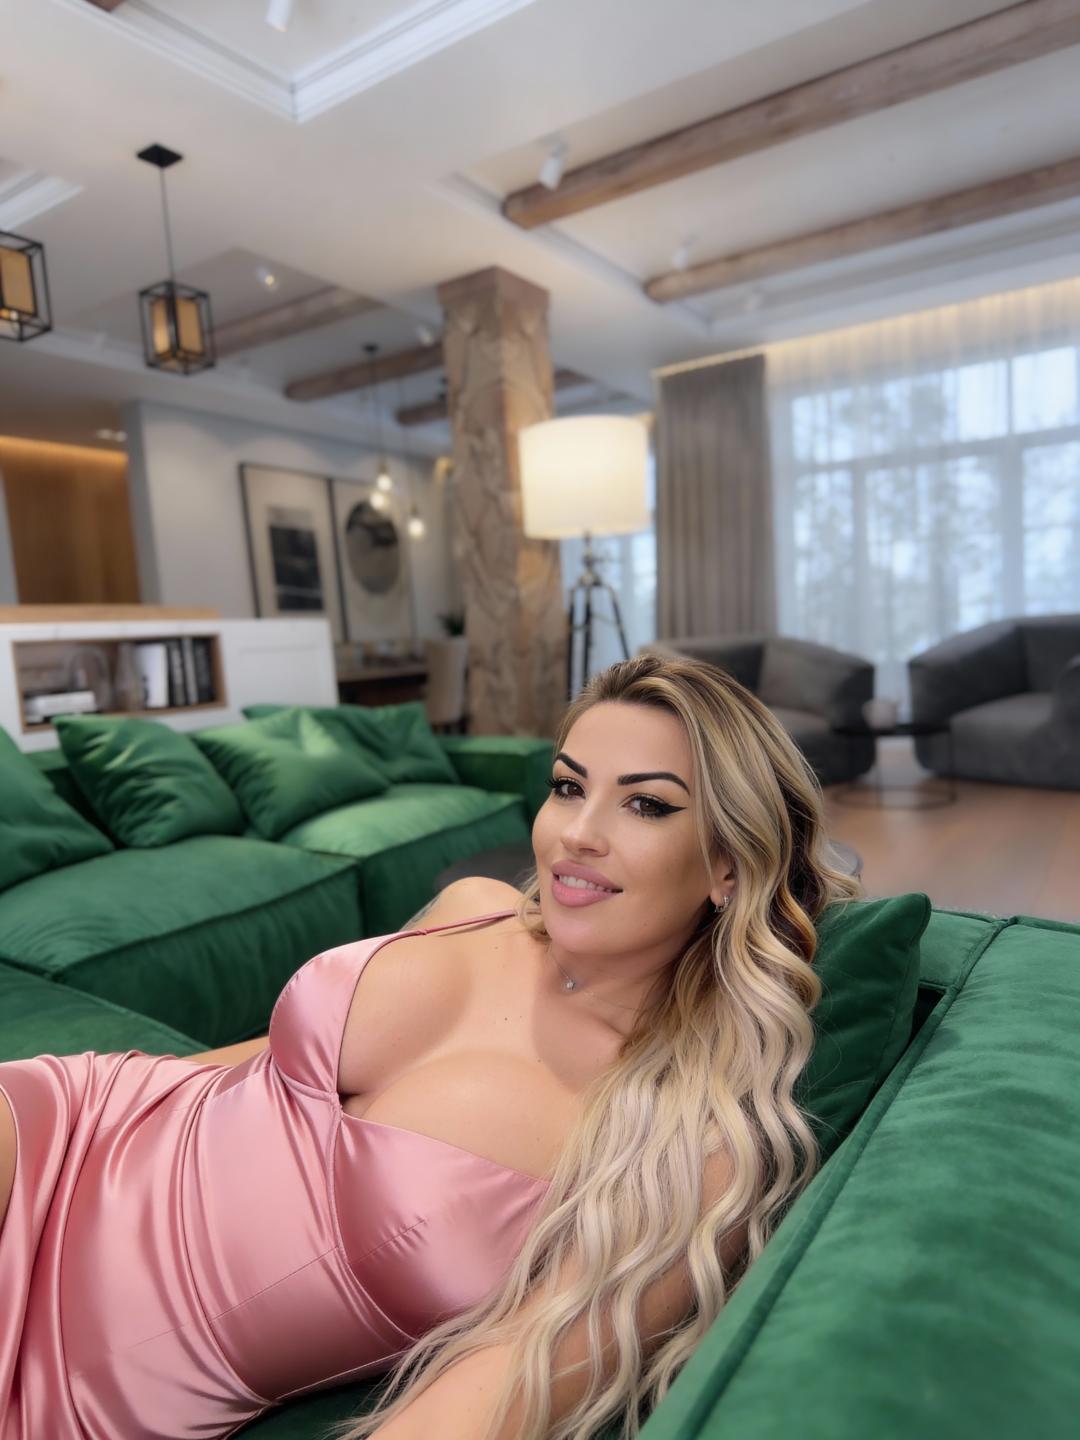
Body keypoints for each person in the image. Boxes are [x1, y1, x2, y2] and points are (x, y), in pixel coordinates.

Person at [0, 653, 859, 1440]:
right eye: (568, 787)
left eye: (646, 804)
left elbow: (504, 1387)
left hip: (101, 1381)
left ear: (728, 867)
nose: (577, 833)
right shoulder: (473, 906)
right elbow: (261, 1065)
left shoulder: (691, 1142)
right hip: (69, 1130)